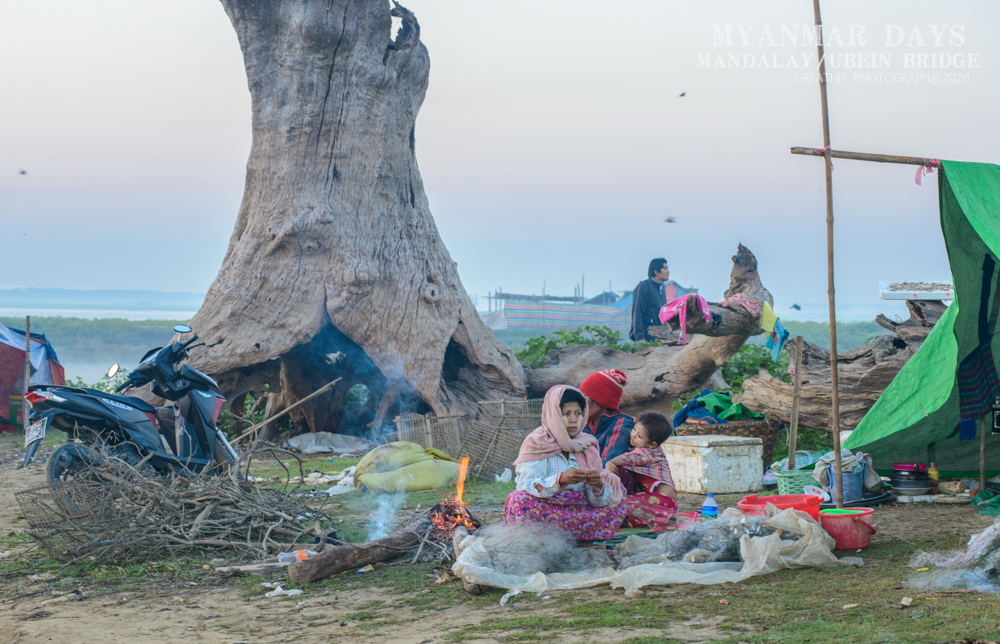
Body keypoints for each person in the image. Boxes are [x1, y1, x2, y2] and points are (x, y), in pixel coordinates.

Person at [503, 385, 626, 540]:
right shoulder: (537, 443)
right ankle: (545, 541)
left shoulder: (587, 445)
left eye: (578, 413)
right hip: (547, 513)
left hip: (580, 514)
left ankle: (584, 539)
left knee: (618, 488)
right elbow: (525, 485)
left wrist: (597, 486)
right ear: (553, 415)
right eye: (566, 414)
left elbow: (597, 502)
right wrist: (559, 480)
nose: (573, 419)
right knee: (518, 500)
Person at [605, 412, 678, 531]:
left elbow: (629, 458)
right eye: (634, 429)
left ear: (652, 444)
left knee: (621, 506)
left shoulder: (648, 452)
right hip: (653, 498)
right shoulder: (649, 446)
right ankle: (659, 518)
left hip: (663, 499)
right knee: (624, 504)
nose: (633, 435)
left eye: (639, 436)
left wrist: (610, 462)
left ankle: (664, 517)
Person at [579, 368, 634, 464]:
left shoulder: (621, 427)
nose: (579, 403)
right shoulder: (586, 424)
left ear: (602, 400)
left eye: (584, 396)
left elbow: (607, 468)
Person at [629, 258, 669, 342]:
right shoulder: (644, 286)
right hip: (646, 337)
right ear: (656, 272)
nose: (668, 271)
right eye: (665, 268)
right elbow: (637, 313)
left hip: (658, 337)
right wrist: (640, 338)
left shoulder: (662, 288)